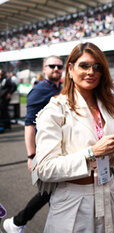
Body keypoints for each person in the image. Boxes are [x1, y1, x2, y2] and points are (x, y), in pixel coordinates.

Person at [33, 42, 114, 233]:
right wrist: (92, 153)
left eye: (97, 67)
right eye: (84, 65)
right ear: (70, 69)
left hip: (108, 194)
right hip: (73, 201)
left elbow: (108, 160)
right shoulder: (55, 110)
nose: (91, 71)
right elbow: (45, 169)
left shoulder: (109, 109)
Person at [3, 56, 64, 233]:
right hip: (46, 150)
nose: (56, 69)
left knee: (55, 191)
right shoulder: (39, 90)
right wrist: (31, 155)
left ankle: (18, 222)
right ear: (44, 69)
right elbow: (29, 124)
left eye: (59, 66)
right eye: (51, 66)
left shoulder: (58, 88)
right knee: (49, 191)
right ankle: (17, 222)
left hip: (60, 147)